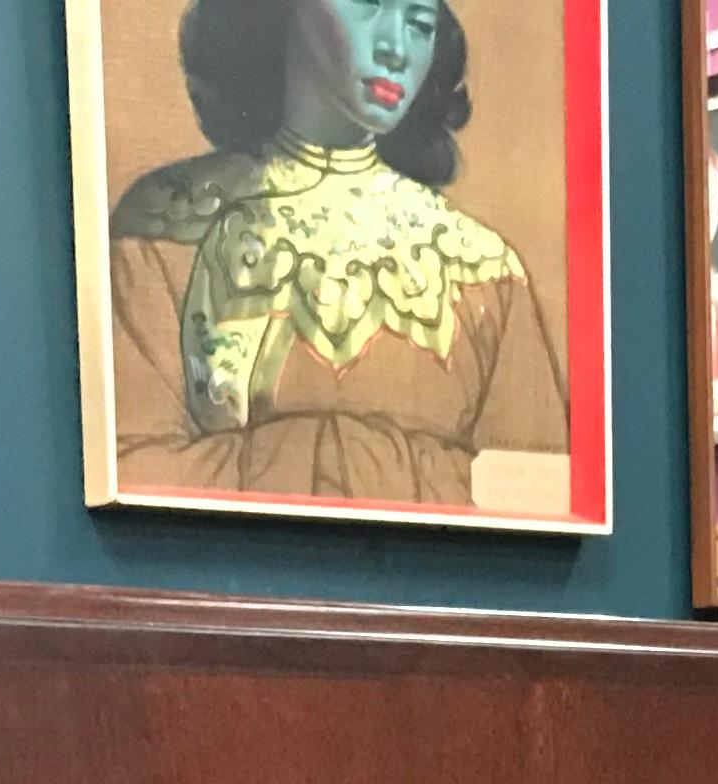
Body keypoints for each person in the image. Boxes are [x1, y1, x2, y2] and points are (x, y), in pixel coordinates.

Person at [109, 0, 574, 510]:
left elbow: (537, 498)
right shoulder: (163, 225)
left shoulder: (484, 267)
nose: (396, 49)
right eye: (368, 6)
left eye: (420, 24)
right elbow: (130, 467)